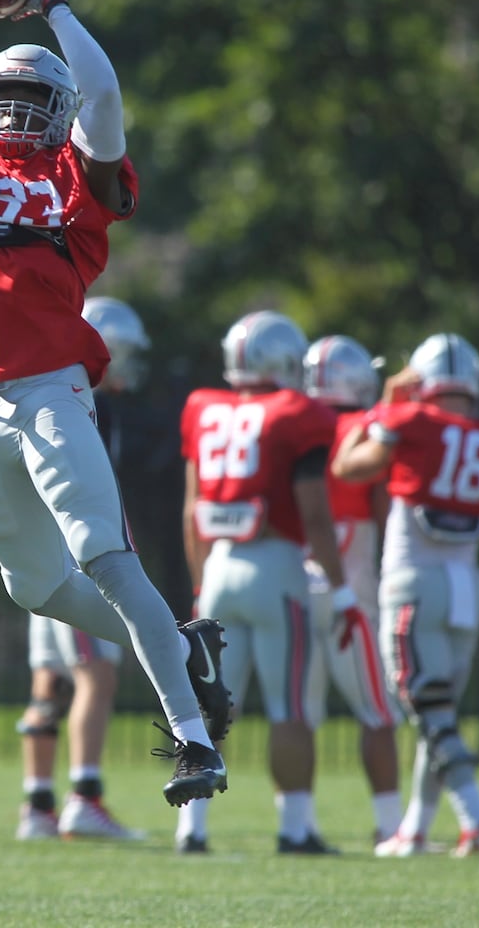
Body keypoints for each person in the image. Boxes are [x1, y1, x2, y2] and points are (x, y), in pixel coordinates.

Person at [0, 0, 230, 808]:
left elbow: (107, 99)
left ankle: (193, 738)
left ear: (63, 111)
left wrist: (55, 6)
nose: (14, 112)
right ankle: (185, 648)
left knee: (106, 558)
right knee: (33, 586)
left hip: (48, 388)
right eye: (1, 95)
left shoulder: (77, 184)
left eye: (34, 99)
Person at [332, 332, 479, 858]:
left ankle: (477, 820)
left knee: (429, 710)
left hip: (413, 584)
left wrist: (384, 410)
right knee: (438, 712)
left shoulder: (408, 421)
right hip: (467, 588)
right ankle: (415, 830)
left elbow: (346, 466)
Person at [175, 311, 356, 854]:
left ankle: (192, 828)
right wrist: (343, 589)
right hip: (276, 567)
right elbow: (316, 516)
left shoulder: (203, 410)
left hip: (220, 569)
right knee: (289, 706)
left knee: (210, 709)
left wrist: (200, 588)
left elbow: (192, 511)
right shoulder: (297, 413)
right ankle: (295, 828)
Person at [16, 296, 151, 841]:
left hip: (38, 547)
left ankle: (37, 806)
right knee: (96, 674)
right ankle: (84, 798)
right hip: (77, 550)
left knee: (48, 681)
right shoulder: (83, 404)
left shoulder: (36, 390)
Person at [303, 335, 402, 848]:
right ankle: (391, 825)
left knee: (297, 713)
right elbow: (385, 512)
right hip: (350, 583)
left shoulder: (289, 421)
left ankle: (296, 823)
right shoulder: (365, 426)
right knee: (378, 710)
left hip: (293, 581)